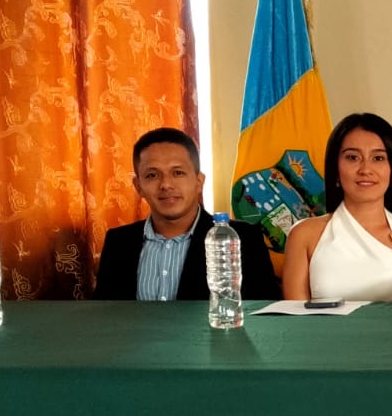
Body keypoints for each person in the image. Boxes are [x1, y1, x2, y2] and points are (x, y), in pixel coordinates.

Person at [94, 127, 281, 301]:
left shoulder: (241, 239)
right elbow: (104, 315)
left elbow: (266, 313)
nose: (166, 184)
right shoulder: (118, 242)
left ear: (199, 182)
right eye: (152, 175)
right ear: (138, 186)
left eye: (178, 173)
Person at [282, 113, 392, 302]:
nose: (365, 169)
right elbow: (295, 316)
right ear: (335, 169)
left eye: (378, 158)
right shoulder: (304, 235)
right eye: (352, 157)